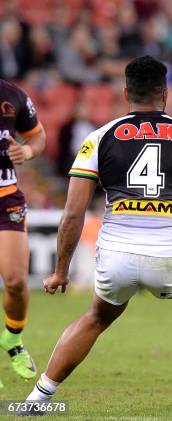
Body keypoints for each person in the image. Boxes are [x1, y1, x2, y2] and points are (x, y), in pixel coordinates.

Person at [22, 56, 172, 416]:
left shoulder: (98, 138)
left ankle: (37, 400)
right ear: (166, 94)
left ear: (126, 92)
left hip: (115, 255)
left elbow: (72, 215)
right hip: (169, 256)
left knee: (97, 317)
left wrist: (61, 270)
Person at [0, 78, 46, 386]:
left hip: (6, 198)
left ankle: (12, 339)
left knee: (15, 281)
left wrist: (26, 153)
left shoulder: (12, 95)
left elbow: (39, 136)